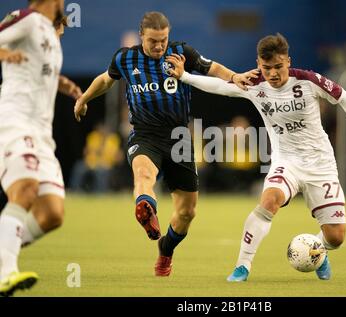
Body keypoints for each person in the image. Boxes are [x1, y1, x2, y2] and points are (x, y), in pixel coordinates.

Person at [166, 33, 346, 281]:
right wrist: (185, 76)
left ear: (288, 61)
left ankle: (318, 250)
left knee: (336, 237)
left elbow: (344, 97)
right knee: (269, 200)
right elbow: (221, 87)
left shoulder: (308, 80)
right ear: (259, 63)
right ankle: (242, 267)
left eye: (278, 67)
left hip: (320, 164)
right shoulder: (254, 82)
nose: (273, 73)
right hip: (285, 161)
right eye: (267, 68)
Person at [73, 11, 257, 277]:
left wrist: (235, 76)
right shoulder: (125, 58)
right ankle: (146, 209)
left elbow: (212, 67)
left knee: (187, 212)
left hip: (179, 138)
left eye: (163, 40)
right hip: (145, 134)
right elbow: (105, 80)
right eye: (153, 41)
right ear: (141, 37)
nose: (159, 46)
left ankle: (166, 249)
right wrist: (84, 98)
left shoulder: (181, 53)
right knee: (143, 175)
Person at [0, 0, 82, 296]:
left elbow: (37, 70)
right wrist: (5, 54)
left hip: (42, 134)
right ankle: (5, 271)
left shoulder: (49, 33)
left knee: (51, 214)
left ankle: (2, 248)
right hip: (16, 121)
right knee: (25, 189)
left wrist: (62, 84)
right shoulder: (27, 19)